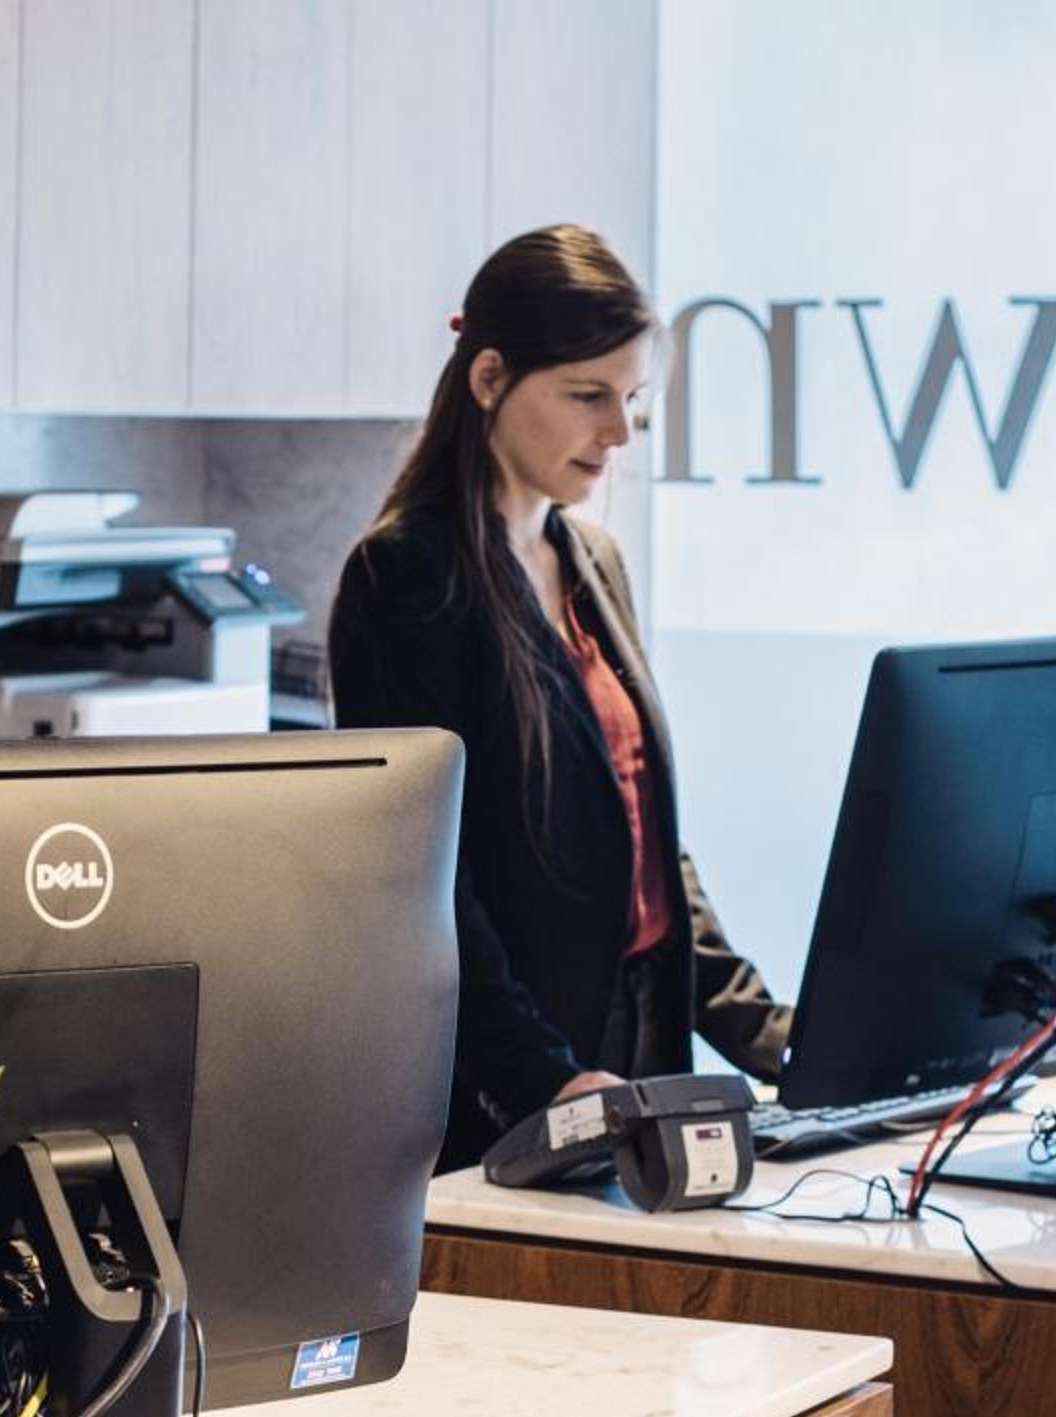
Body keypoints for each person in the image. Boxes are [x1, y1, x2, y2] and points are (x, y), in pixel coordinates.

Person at [329, 225, 791, 1171]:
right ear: (489, 377)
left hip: (635, 1052)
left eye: (632, 400)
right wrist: (543, 1079)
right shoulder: (406, 576)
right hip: (511, 1092)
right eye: (589, 396)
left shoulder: (592, 560)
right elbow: (419, 880)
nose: (619, 432)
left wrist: (773, 1035)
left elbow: (645, 847)